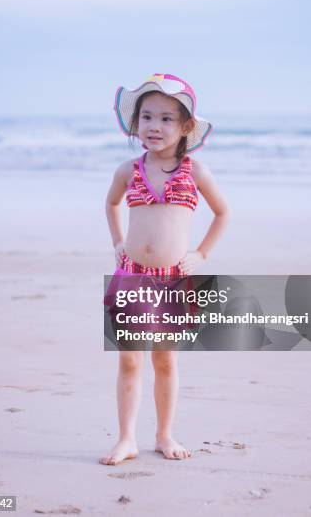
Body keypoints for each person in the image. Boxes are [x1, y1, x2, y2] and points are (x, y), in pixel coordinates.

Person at [100, 73, 230, 465]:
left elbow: (223, 213)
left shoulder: (196, 172)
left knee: (165, 359)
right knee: (129, 358)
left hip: (172, 279)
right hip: (133, 274)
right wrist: (118, 242)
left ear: (186, 126)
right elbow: (111, 205)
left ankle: (164, 434)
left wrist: (202, 255)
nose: (155, 126)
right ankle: (126, 439)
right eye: (147, 117)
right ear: (136, 123)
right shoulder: (128, 170)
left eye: (167, 119)